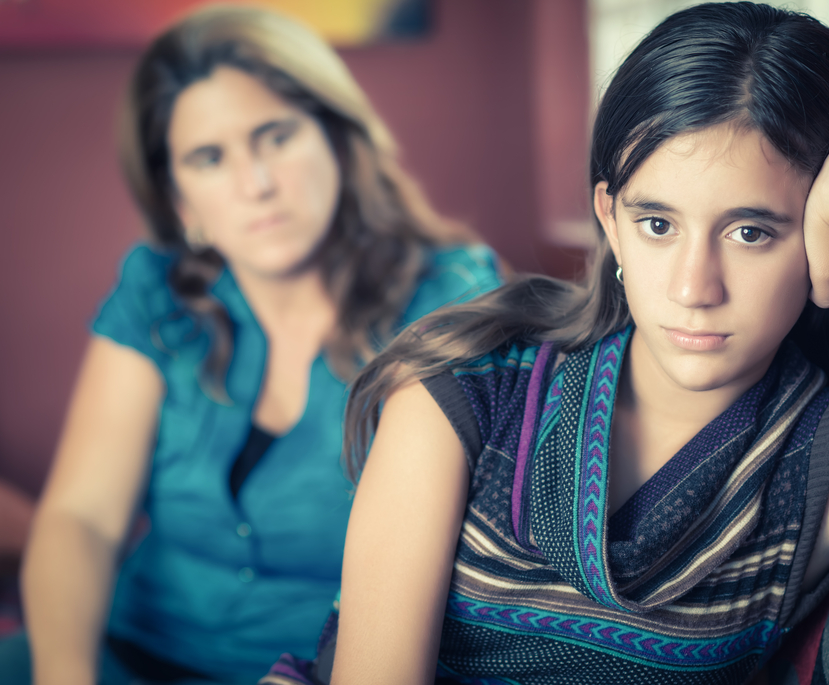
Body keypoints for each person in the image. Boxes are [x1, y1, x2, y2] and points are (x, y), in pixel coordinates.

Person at [259, 3, 829, 684]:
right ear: (609, 221)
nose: (693, 285)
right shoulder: (466, 392)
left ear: (826, 242)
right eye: (657, 224)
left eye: (751, 232)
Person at [2, 5, 503, 684]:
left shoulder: (448, 302)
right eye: (209, 158)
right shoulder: (157, 292)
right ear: (181, 199)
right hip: (122, 649)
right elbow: (83, 517)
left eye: (275, 136)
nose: (256, 183)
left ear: (335, 137)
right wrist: (65, 672)